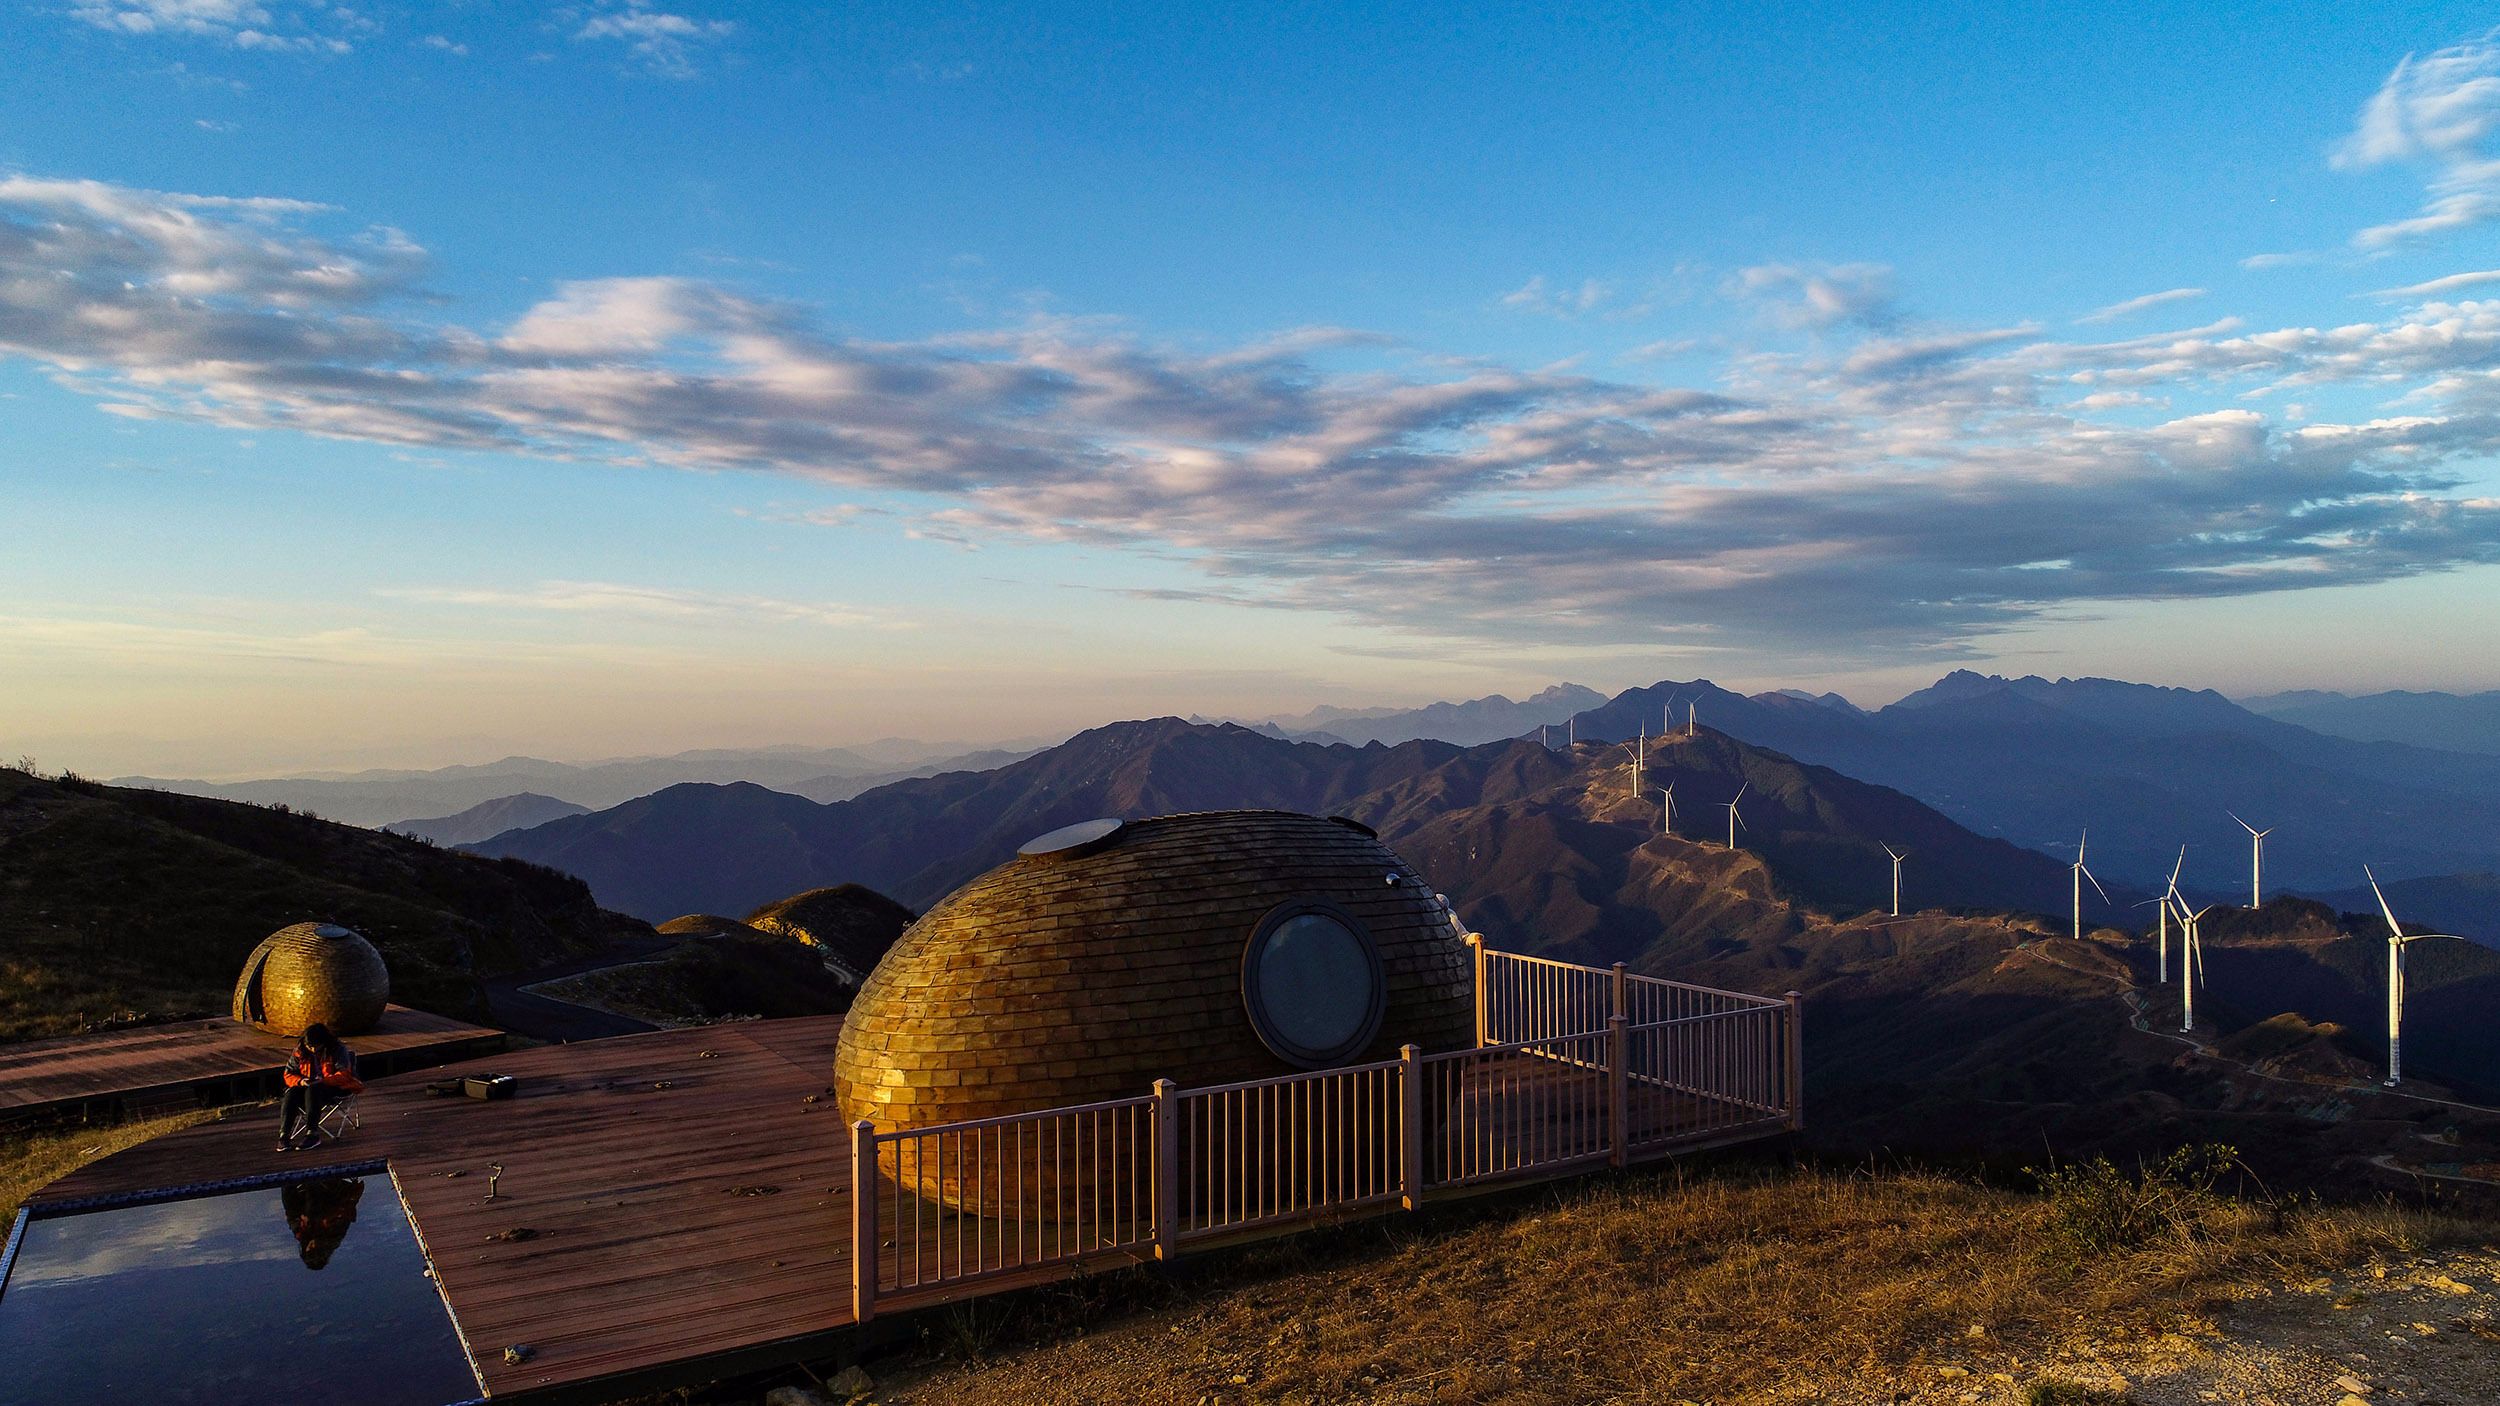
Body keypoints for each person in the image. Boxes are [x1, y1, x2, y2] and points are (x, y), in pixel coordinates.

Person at [277, 1022, 364, 1151]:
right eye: (309, 1046)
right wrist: (301, 1081)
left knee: (314, 1089)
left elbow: (344, 1075)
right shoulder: (300, 1051)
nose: (312, 1049)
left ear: (324, 1042)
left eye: (315, 1046)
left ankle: (312, 1134)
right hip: (306, 1085)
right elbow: (288, 1074)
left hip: (334, 1087)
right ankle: (284, 1136)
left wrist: (323, 1081)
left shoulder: (337, 1049)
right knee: (291, 1092)